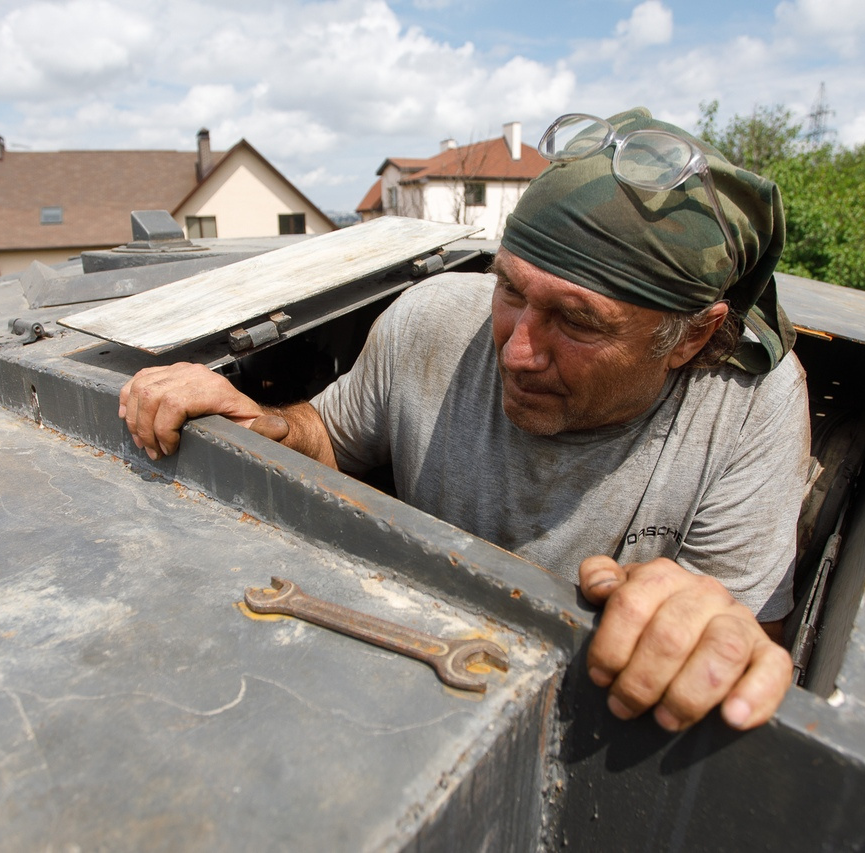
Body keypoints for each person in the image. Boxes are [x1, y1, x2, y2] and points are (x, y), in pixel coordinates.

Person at [119, 108, 811, 734]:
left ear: (690, 338)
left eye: (577, 320)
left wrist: (697, 627)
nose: (516, 350)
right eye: (511, 288)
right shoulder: (432, 316)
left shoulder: (749, 407)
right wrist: (261, 420)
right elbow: (330, 438)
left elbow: (746, 633)